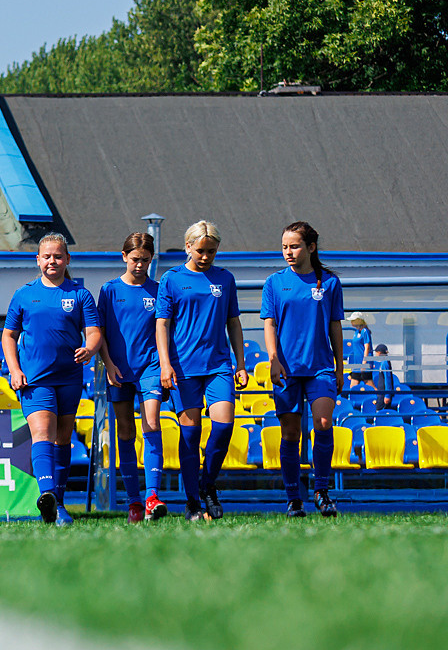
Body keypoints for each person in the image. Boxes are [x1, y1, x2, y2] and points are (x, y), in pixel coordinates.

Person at [3, 235, 103, 526]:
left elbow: (94, 331)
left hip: (70, 378)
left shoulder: (80, 295)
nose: (52, 261)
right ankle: (48, 496)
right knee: (43, 434)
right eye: (46, 256)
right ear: (37, 259)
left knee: (62, 440)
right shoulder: (24, 294)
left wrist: (90, 347)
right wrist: (15, 369)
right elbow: (8, 336)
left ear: (67, 259)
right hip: (35, 379)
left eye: (57, 256)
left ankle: (57, 505)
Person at [156, 220, 247, 521]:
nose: (206, 256)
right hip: (183, 368)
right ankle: (193, 501)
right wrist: (166, 364)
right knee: (190, 435)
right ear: (188, 247)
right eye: (200, 251)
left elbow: (233, 322)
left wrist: (242, 364)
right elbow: (162, 324)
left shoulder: (225, 279)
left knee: (223, 427)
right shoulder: (171, 279)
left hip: (219, 365)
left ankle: (207, 485)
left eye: (212, 251)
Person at [261, 221, 344, 518]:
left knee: (323, 423)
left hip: (321, 367)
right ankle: (294, 498)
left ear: (311, 247)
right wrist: (273, 359)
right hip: (286, 369)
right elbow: (268, 323)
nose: (288, 252)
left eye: (294, 246)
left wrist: (339, 365)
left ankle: (322, 491)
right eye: (284, 246)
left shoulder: (330, 283)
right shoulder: (274, 283)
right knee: (290, 434)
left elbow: (335, 325)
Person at [97, 233, 167, 522]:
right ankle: (134, 502)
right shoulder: (110, 290)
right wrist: (108, 363)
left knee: (151, 422)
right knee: (125, 432)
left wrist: (164, 364)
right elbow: (97, 331)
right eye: (135, 259)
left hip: (150, 367)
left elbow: (164, 329)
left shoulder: (159, 290)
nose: (140, 265)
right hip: (119, 370)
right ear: (124, 256)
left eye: (146, 260)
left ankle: (152, 497)